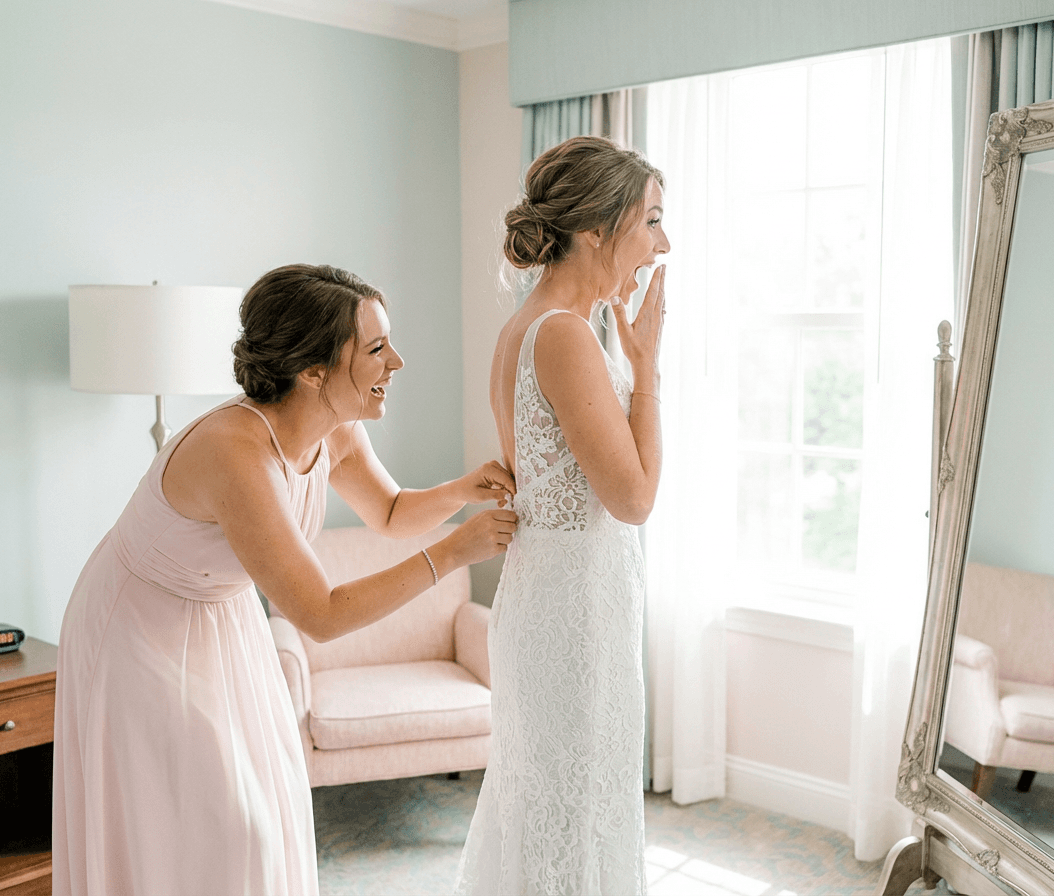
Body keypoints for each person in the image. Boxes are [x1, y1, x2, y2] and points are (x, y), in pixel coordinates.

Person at [53, 263, 518, 895]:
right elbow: (321, 614)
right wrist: (455, 552)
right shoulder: (235, 452)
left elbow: (389, 511)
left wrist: (462, 490)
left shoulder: (336, 429)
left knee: (268, 808)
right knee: (209, 825)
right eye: (377, 348)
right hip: (138, 627)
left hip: (224, 615)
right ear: (314, 372)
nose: (398, 362)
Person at [454, 136, 670, 894]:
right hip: (574, 616)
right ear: (597, 229)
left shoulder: (527, 327)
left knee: (551, 812)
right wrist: (647, 370)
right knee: (574, 818)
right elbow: (633, 500)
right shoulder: (565, 335)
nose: (662, 244)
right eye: (651, 220)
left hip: (556, 598)